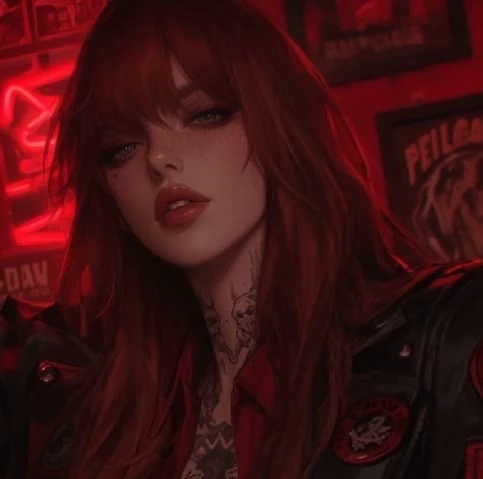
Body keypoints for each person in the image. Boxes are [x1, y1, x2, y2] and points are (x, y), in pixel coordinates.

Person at [0, 0, 482, 478]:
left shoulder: (447, 333)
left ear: (279, 121)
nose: (159, 159)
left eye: (204, 115)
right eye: (122, 147)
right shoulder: (96, 397)